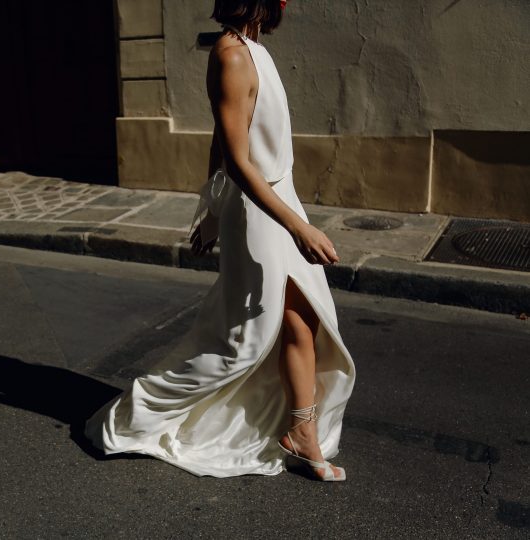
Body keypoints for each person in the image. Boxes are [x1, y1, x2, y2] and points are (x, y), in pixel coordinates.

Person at [84, 0, 356, 481]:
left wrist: (214, 207)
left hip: (278, 199)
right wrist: (296, 227)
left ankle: (301, 431)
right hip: (259, 213)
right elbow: (236, 159)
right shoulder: (230, 54)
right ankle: (137, 411)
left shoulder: (256, 50)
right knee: (247, 342)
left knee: (302, 322)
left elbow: (226, 134)